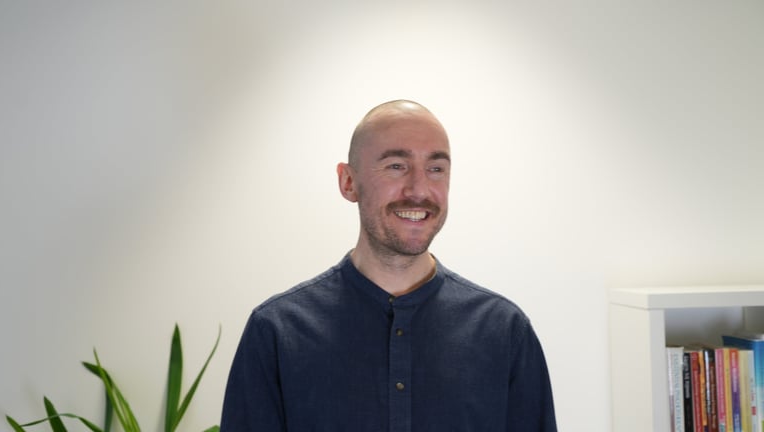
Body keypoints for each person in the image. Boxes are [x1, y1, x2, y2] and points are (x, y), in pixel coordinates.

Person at [220, 100, 557, 431]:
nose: (419, 189)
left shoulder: (504, 332)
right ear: (348, 182)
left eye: (436, 169)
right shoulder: (277, 332)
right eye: (397, 166)